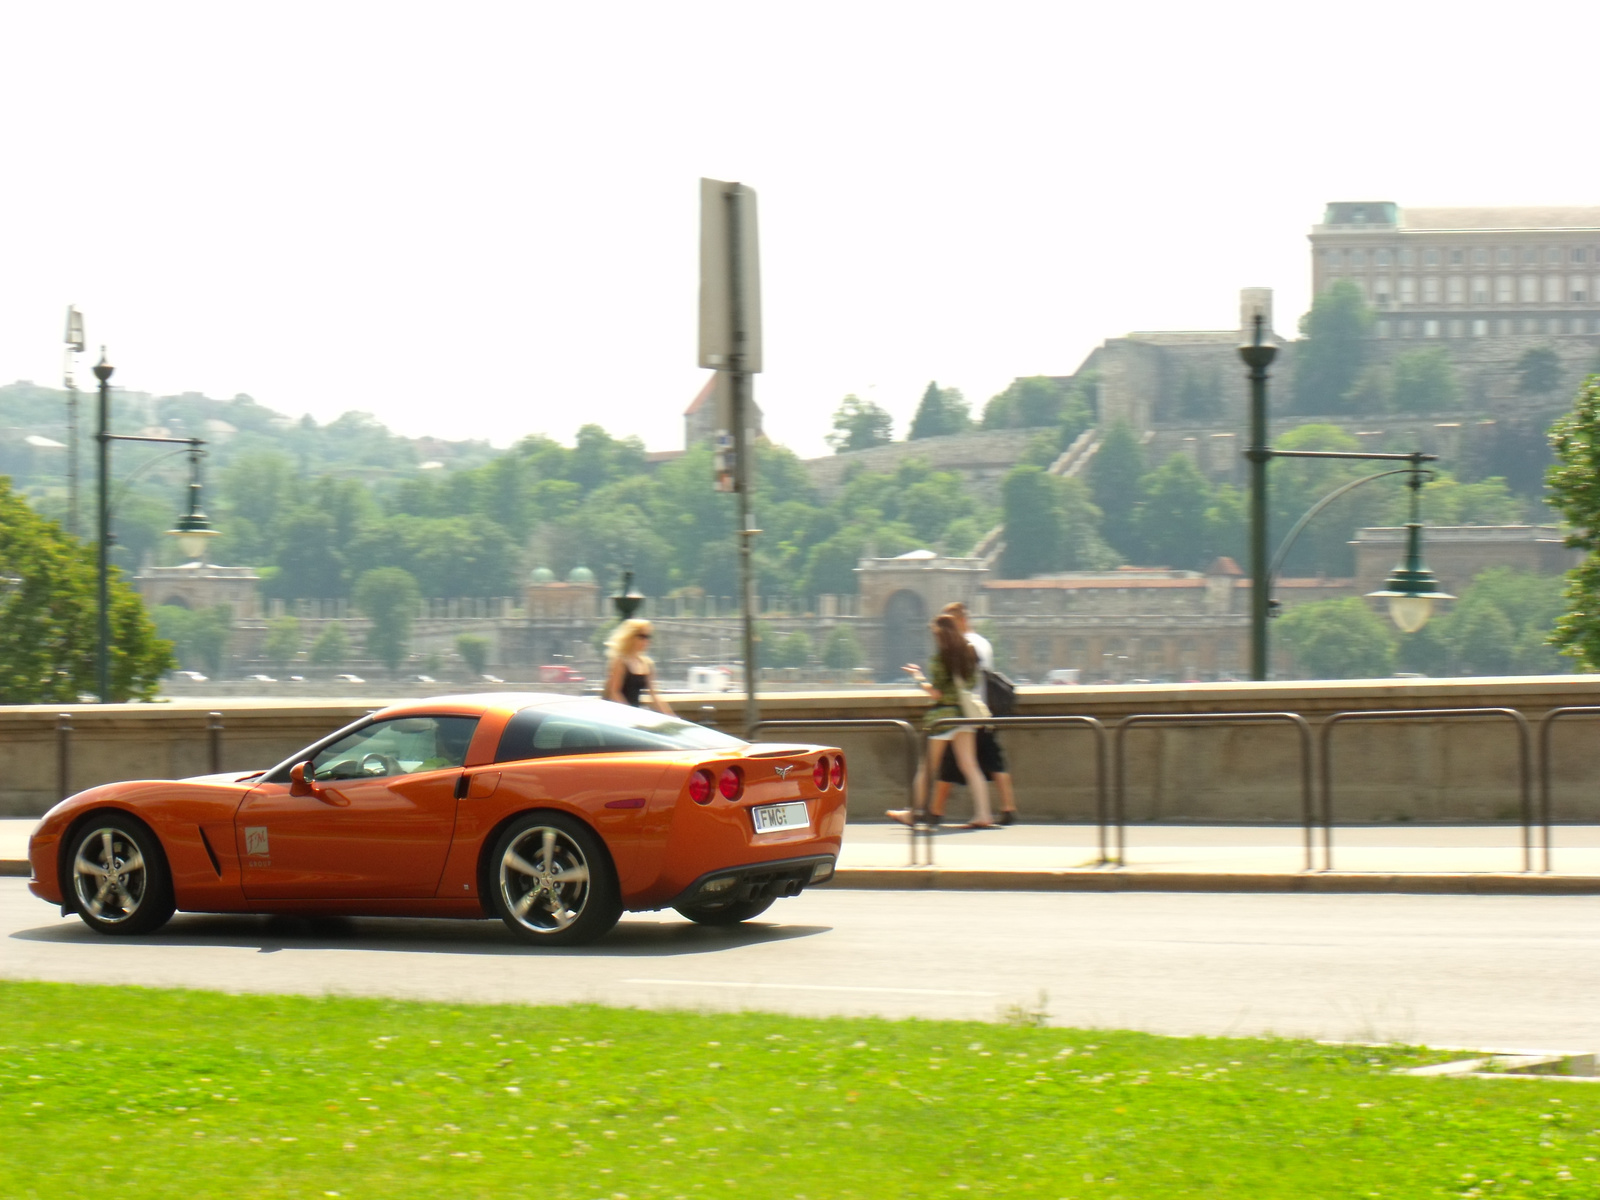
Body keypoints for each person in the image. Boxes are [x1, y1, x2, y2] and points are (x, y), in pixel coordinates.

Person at [888, 612, 994, 829]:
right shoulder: (969, 653)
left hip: (943, 718)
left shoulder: (940, 658)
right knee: (970, 766)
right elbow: (972, 683)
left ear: (939, 635)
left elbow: (936, 693)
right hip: (964, 716)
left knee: (927, 768)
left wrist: (918, 678)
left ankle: (914, 812)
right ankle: (984, 814)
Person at [927, 602, 1019, 826]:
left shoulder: (965, 645)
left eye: (950, 622)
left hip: (965, 712)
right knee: (989, 760)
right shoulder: (983, 643)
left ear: (961, 621)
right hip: (981, 709)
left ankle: (933, 812)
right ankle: (1006, 808)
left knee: (952, 764)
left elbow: (955, 682)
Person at [604, 618, 674, 715]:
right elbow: (614, 692)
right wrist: (630, 714)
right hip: (618, 714)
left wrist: (672, 716)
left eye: (648, 637)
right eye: (642, 636)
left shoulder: (647, 664)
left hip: (634, 714)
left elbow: (654, 695)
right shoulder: (620, 661)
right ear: (631, 637)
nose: (646, 641)